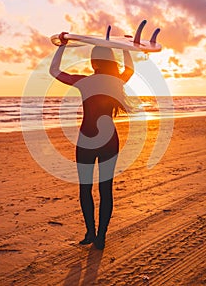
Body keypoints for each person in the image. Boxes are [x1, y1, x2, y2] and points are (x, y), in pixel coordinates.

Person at [49, 32, 134, 250]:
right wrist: (124, 46)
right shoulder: (116, 82)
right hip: (109, 141)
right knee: (106, 190)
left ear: (94, 62)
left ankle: (91, 232)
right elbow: (130, 70)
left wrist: (62, 46)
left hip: (87, 140)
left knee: (85, 189)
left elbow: (54, 71)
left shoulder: (84, 82)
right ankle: (101, 236)